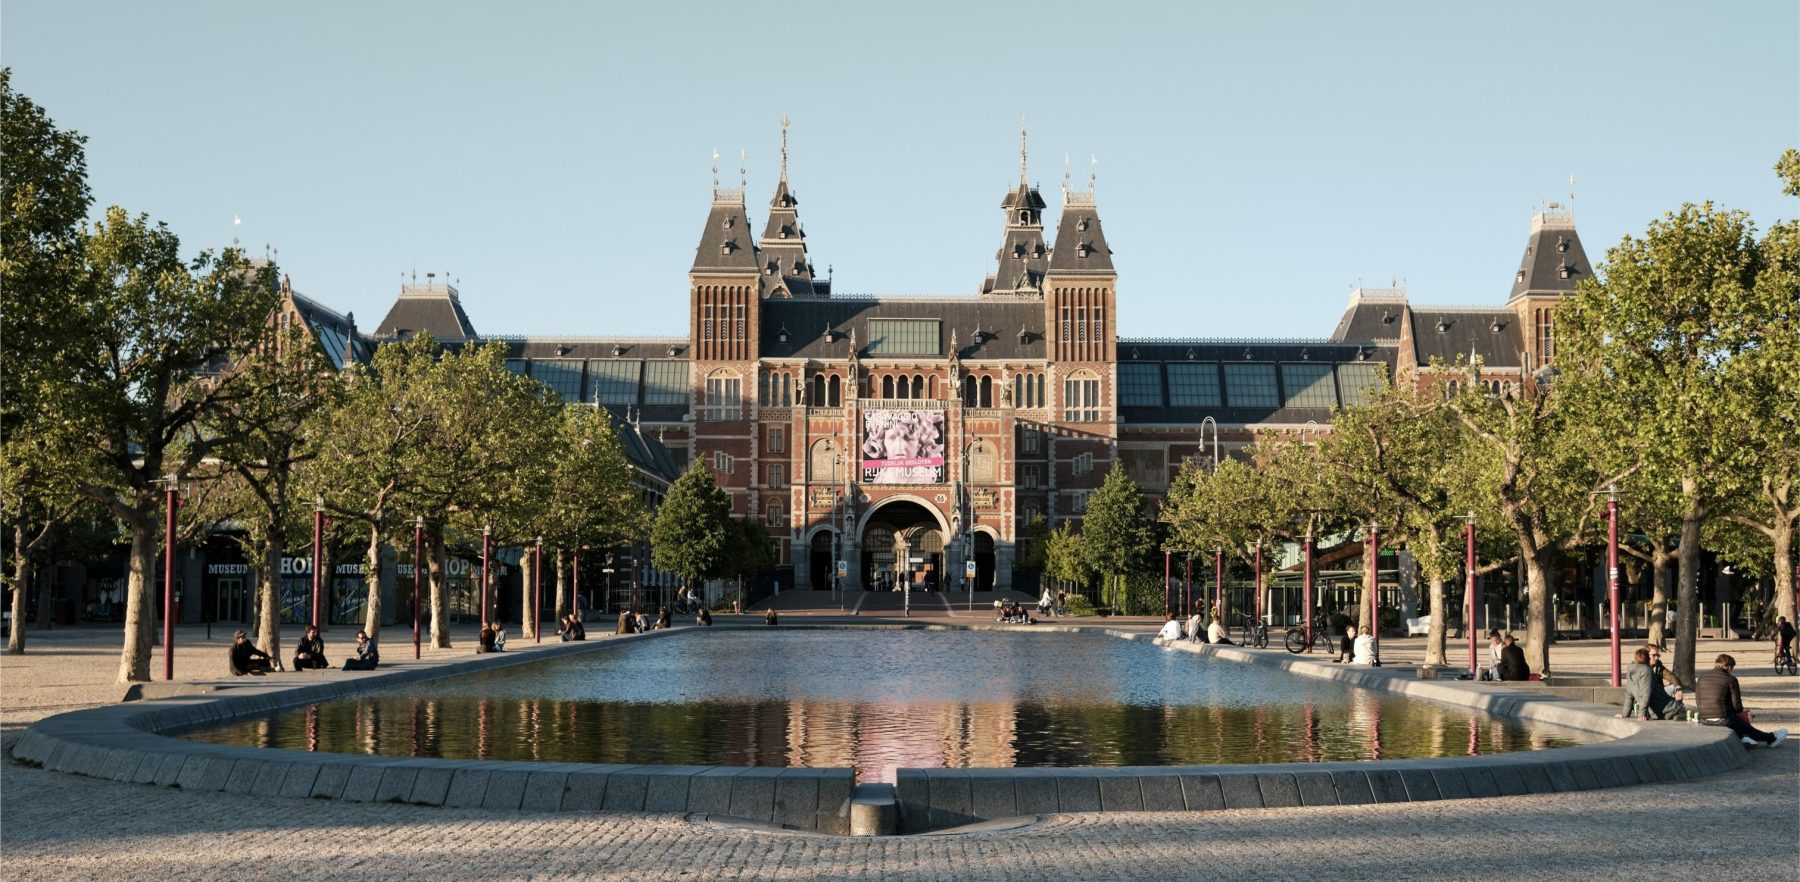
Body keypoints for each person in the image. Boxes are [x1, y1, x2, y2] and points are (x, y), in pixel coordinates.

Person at [1695, 653, 1787, 748]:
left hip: (1704, 718)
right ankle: (1770, 738)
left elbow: (1698, 701)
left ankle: (1742, 738)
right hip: (1723, 719)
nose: (1732, 671)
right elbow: (1737, 707)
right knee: (1743, 724)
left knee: (1737, 722)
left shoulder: (1702, 678)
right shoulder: (1730, 679)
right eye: (1732, 669)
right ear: (1728, 667)